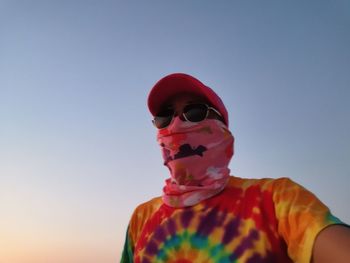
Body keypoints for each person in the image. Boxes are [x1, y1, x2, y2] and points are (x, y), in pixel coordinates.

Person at [121, 73, 350, 263]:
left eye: (194, 112)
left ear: (221, 129)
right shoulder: (141, 218)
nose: (176, 124)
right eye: (164, 117)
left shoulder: (275, 199)